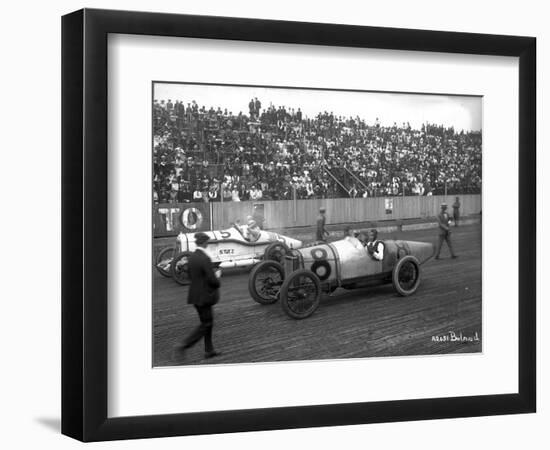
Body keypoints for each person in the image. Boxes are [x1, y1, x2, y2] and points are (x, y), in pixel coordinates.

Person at [178, 232, 221, 359]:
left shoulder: (192, 257)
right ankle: (183, 345)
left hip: (195, 296)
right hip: (205, 297)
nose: (208, 243)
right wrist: (217, 278)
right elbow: (212, 280)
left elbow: (191, 277)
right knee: (206, 324)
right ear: (204, 243)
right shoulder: (205, 258)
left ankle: (209, 350)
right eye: (207, 242)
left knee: (208, 323)